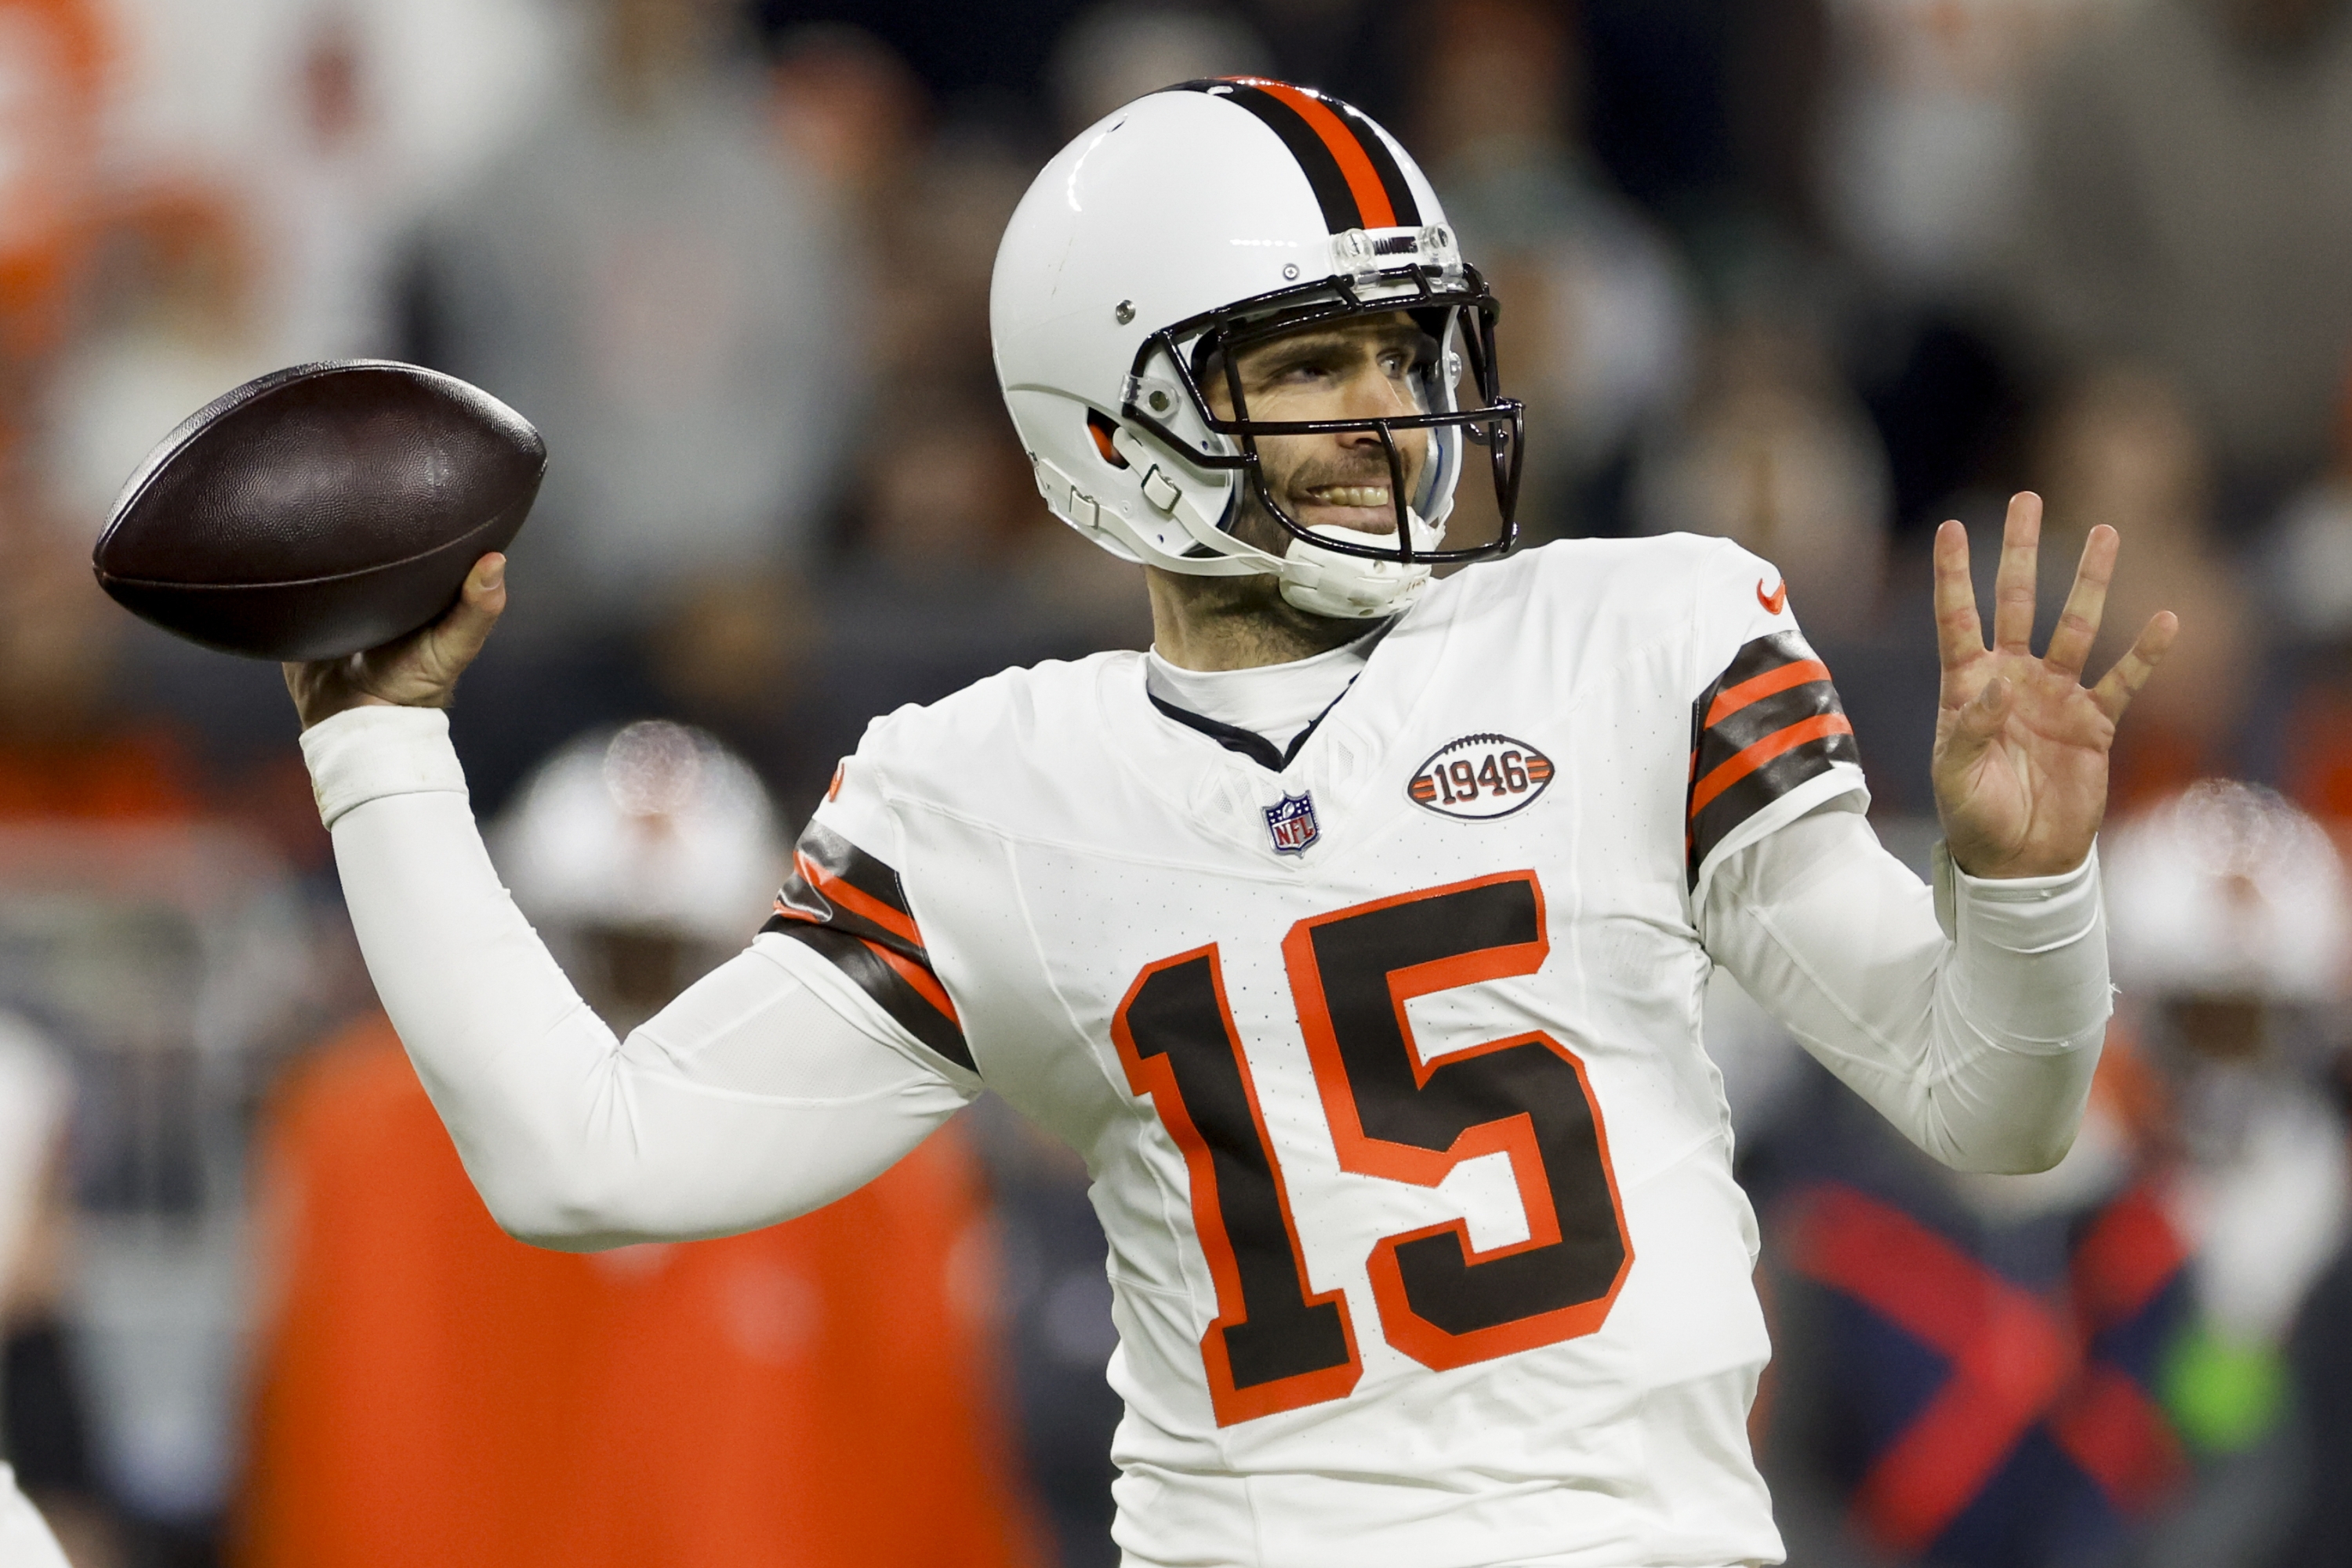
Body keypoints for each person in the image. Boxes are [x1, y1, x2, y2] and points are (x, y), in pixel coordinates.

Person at [281, 79, 2176, 1566]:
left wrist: (2019, 887)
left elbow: (1993, 1108)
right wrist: (380, 749)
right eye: (1301, 363)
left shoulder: (1638, 632)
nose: (1384, 411)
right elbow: (579, 1157)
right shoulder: (990, 791)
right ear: (1107, 426)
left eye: (1400, 346)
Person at [238, 722, 1037, 1568]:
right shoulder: (358, 1130)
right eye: (608, 953)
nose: (642, 1005)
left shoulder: (887, 1161)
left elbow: (936, 1459)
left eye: (671, 961)